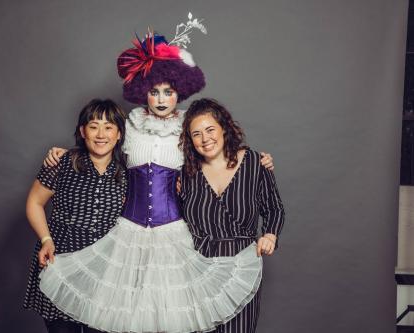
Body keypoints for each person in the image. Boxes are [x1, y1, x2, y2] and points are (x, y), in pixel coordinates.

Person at [37, 31, 276, 333]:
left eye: (168, 91)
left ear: (179, 93)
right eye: (154, 92)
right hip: (128, 234)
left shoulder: (188, 127)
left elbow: (215, 149)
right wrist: (61, 152)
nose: (161, 99)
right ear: (142, 93)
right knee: (125, 317)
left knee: (170, 318)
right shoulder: (130, 126)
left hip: (172, 234)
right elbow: (99, 144)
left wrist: (252, 158)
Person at [179, 98, 285, 333]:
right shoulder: (185, 173)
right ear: (190, 140)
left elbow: (274, 207)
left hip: (241, 267)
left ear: (224, 128)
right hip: (198, 271)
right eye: (196, 134)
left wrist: (270, 235)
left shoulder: (255, 163)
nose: (205, 139)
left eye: (210, 130)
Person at [23, 99, 127, 333]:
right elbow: (34, 202)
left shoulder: (126, 172)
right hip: (60, 260)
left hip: (103, 270)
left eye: (109, 127)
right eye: (93, 126)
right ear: (82, 131)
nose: (101, 134)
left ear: (119, 134)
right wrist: (46, 240)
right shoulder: (62, 162)